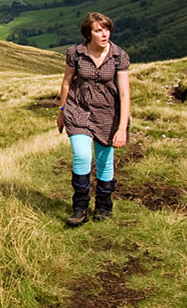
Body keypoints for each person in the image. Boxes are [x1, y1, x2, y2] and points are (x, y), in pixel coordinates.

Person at [56, 12, 131, 226]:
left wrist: (122, 127)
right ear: (89, 33)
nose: (104, 34)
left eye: (106, 29)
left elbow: (124, 93)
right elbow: (66, 82)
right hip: (78, 108)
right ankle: (80, 207)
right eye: (98, 30)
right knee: (81, 155)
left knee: (104, 160)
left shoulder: (118, 56)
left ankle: (104, 205)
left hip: (108, 112)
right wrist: (62, 111)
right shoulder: (76, 53)